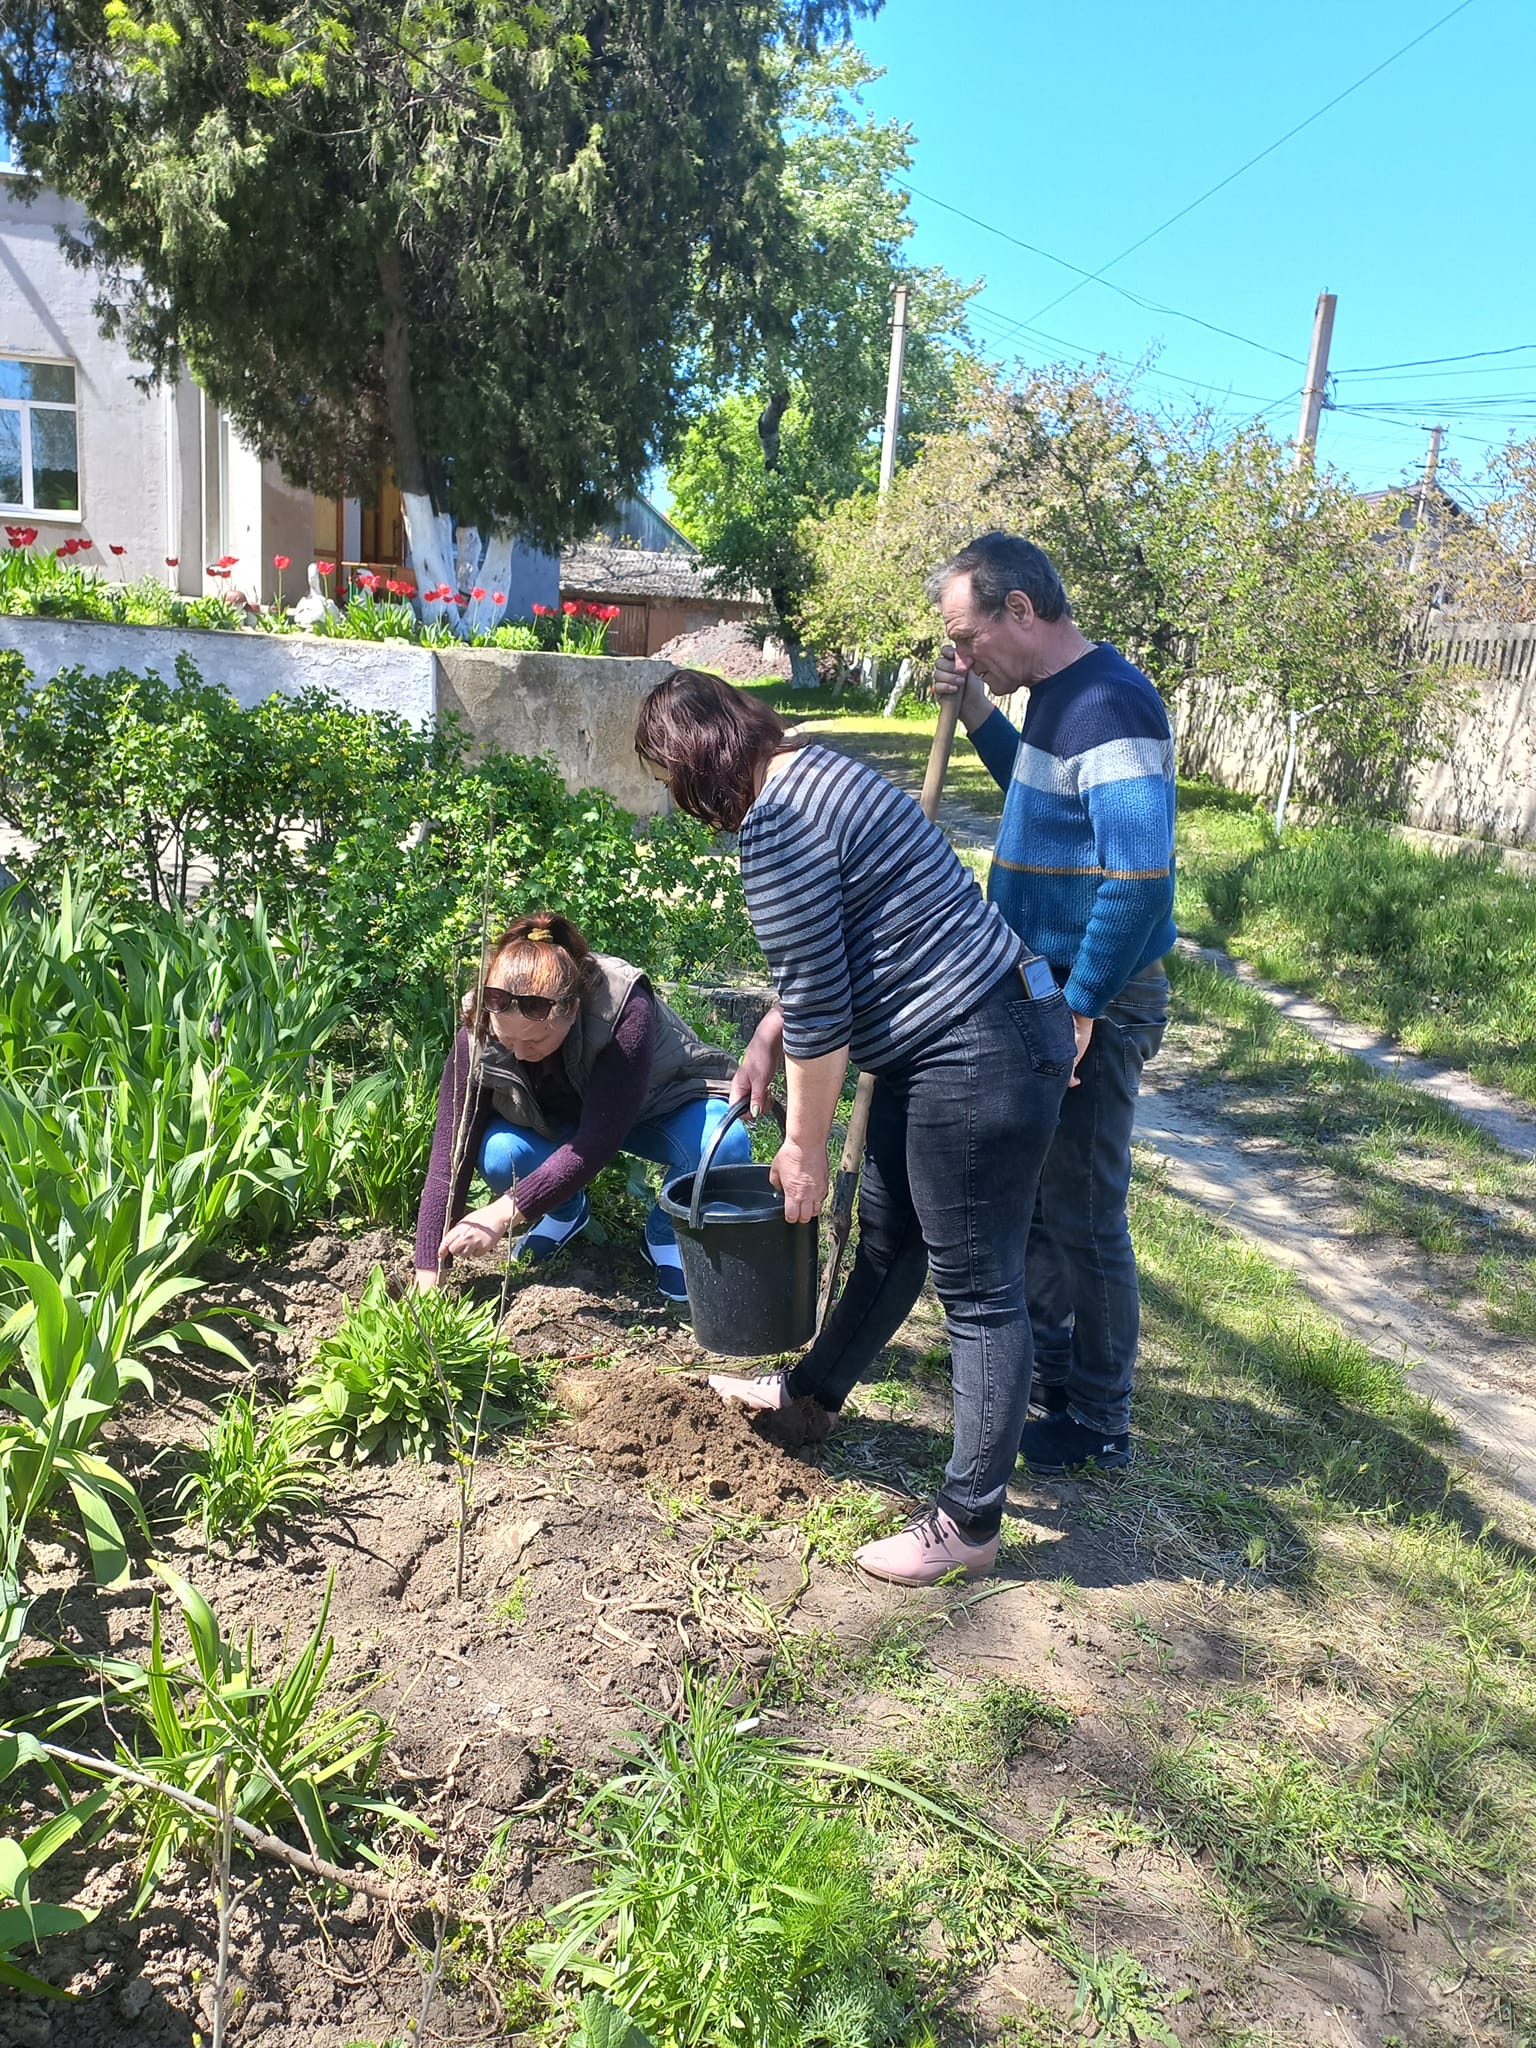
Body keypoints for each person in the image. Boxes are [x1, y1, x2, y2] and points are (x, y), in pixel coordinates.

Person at [634, 668, 1074, 1586]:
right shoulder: (823, 772)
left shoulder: (778, 826)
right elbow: (836, 952)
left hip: (974, 1049)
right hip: (971, 1032)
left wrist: (804, 1150)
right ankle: (810, 1395)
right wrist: (763, 1035)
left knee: (979, 1287)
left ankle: (968, 1522)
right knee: (889, 1240)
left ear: (695, 768)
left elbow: (826, 1009)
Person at [928, 532, 1176, 1475]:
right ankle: (1053, 1375)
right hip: (1048, 992)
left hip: (1095, 1001)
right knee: (1033, 1204)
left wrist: (1079, 1009)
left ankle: (1100, 1418)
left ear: (1020, 610)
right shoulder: (1056, 703)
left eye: (967, 637)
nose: (961, 655)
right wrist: (985, 714)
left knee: (1081, 1210)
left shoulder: (1109, 702)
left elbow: (1139, 878)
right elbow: (1039, 803)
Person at [413, 911, 750, 1302]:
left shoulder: (623, 1005)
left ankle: (664, 1236)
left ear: (570, 1011)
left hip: (656, 1108)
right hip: (561, 1123)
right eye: (508, 1040)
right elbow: (448, 1159)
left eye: (535, 1043)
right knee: (502, 1154)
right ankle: (565, 1212)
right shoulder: (479, 1030)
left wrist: (503, 1213)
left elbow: (598, 1140)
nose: (520, 1053)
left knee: (724, 1145)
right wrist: (429, 1270)